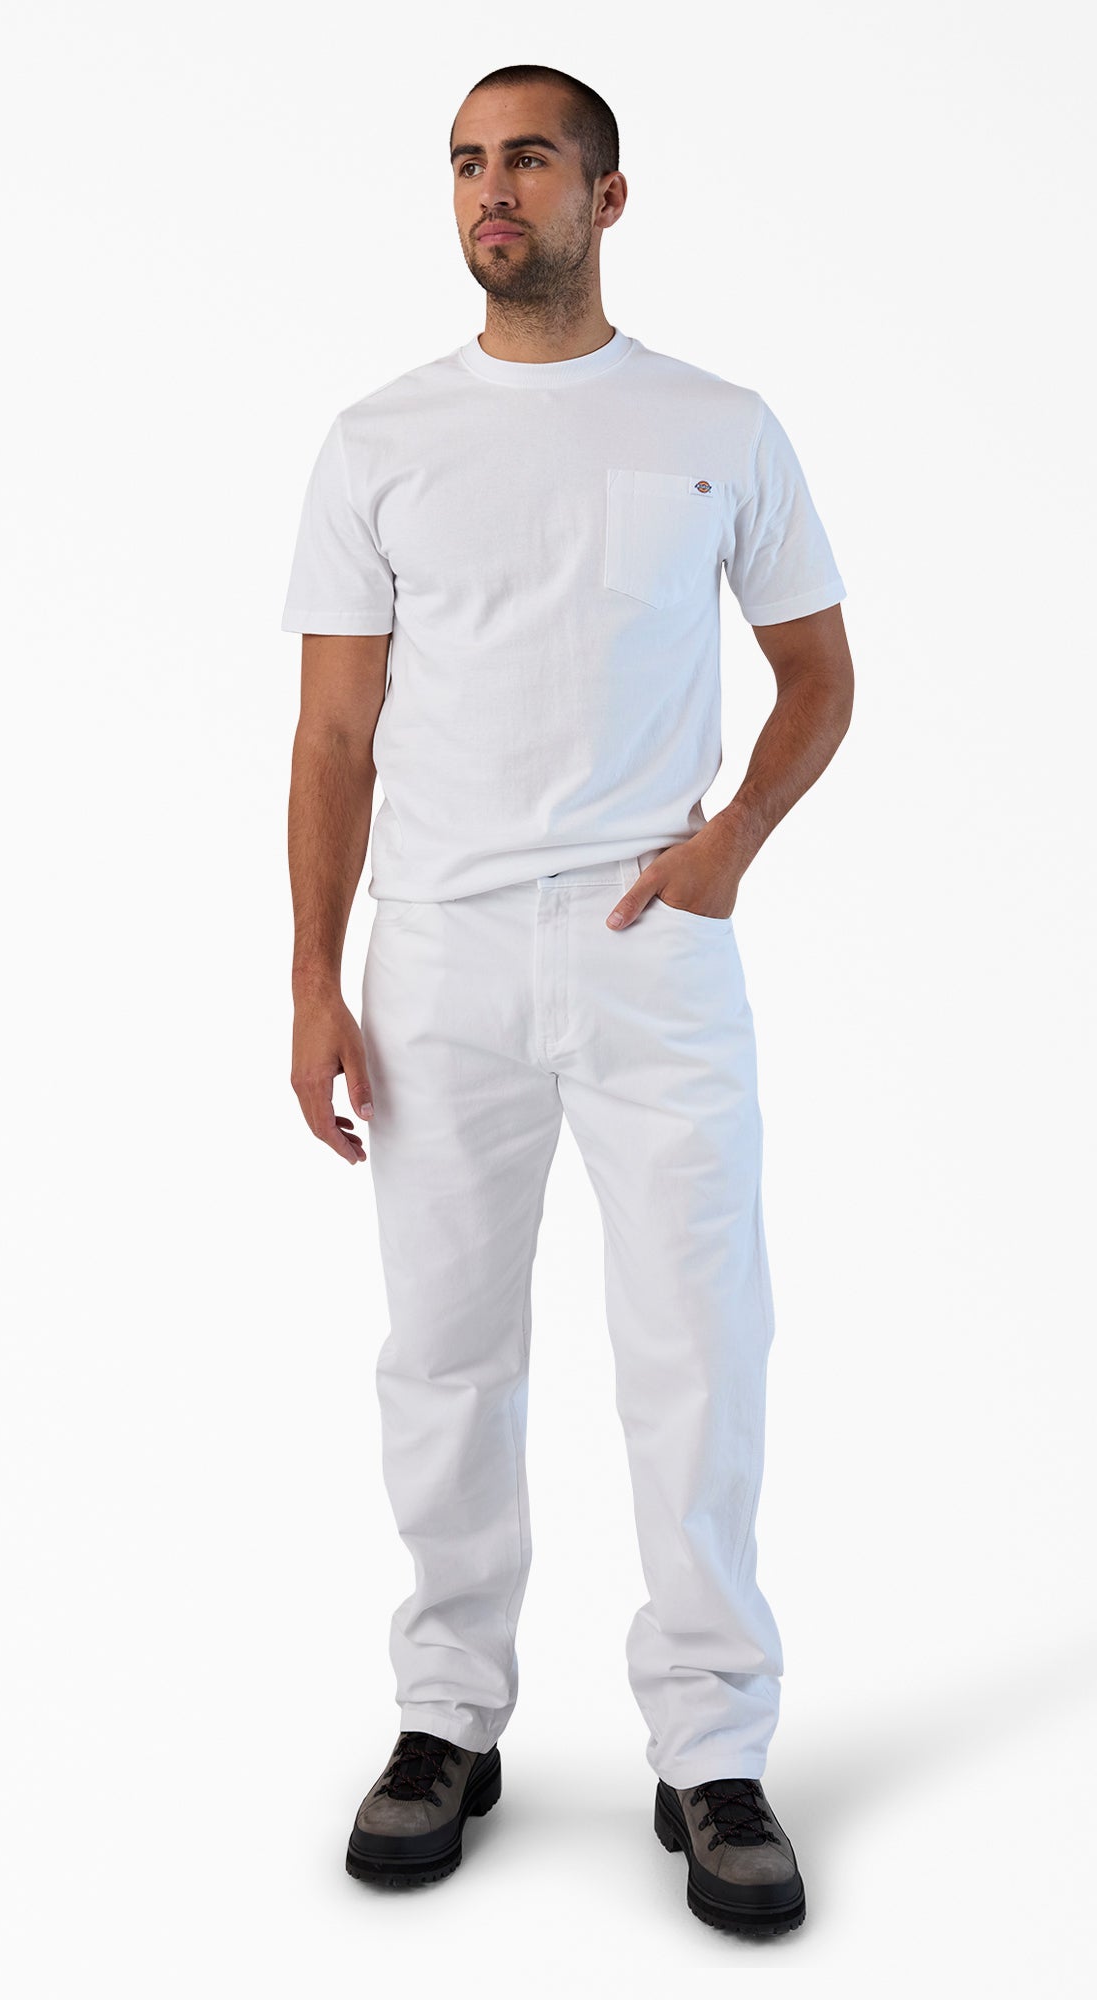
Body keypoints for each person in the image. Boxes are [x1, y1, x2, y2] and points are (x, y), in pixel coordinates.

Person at [280, 63, 853, 1936]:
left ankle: (714, 1750)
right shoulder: (381, 439)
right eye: (467, 161)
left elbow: (820, 673)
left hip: (649, 940)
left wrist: (732, 842)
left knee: (701, 1340)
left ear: (608, 195)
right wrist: (312, 976)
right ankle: (447, 1719)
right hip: (438, 948)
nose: (492, 189)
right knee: (444, 1348)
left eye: (529, 158)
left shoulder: (715, 426)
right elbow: (335, 735)